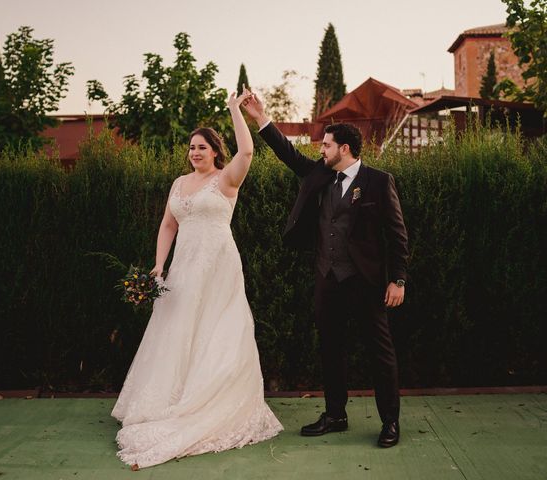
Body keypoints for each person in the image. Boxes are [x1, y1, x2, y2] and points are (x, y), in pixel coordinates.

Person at [111, 90, 283, 469]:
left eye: (202, 146)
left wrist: (234, 110)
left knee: (215, 329)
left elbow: (249, 152)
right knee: (176, 329)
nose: (195, 152)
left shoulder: (227, 179)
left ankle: (208, 400)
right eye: (191, 147)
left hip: (218, 266)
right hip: (183, 269)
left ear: (215, 151)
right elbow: (168, 223)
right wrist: (159, 265)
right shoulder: (178, 183)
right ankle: (169, 399)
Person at [243, 91, 408, 448]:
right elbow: (288, 153)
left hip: (365, 281)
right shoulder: (320, 174)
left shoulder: (379, 181)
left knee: (380, 352)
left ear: (345, 149)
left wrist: (398, 279)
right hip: (327, 279)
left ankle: (390, 422)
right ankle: (336, 414)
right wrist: (261, 118)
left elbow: (397, 234)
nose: (321, 150)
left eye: (327, 145)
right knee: (330, 348)